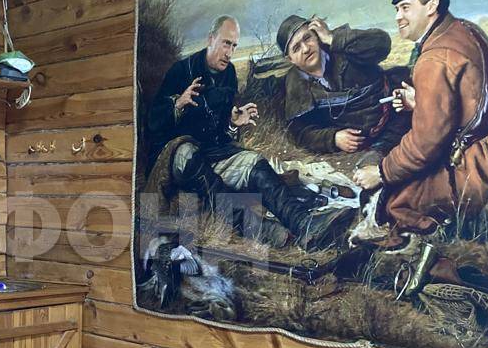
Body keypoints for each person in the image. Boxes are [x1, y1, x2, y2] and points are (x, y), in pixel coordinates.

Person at [143, 16, 356, 250]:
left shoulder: (229, 74)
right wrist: (178, 104)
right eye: (226, 43)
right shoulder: (181, 70)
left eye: (234, 46)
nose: (229, 52)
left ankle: (304, 224)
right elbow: (152, 124)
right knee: (187, 151)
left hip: (211, 156)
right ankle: (258, 228)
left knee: (253, 162)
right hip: (176, 161)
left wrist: (233, 123)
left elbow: (220, 134)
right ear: (211, 39)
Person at [353, 0, 488, 233]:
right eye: (397, 9)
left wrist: (381, 172)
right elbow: (471, 99)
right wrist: (420, 102)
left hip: (480, 167)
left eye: (405, 8)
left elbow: (425, 145)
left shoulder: (434, 58)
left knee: (394, 204)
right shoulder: (465, 29)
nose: (398, 17)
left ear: (432, 6)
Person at [278, 15, 409, 161]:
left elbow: (382, 43)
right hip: (366, 147)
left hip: (397, 117)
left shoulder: (342, 47)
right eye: (296, 48)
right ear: (290, 59)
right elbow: (301, 133)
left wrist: (332, 38)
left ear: (316, 36)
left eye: (307, 38)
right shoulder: (296, 84)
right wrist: (333, 138)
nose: (306, 49)